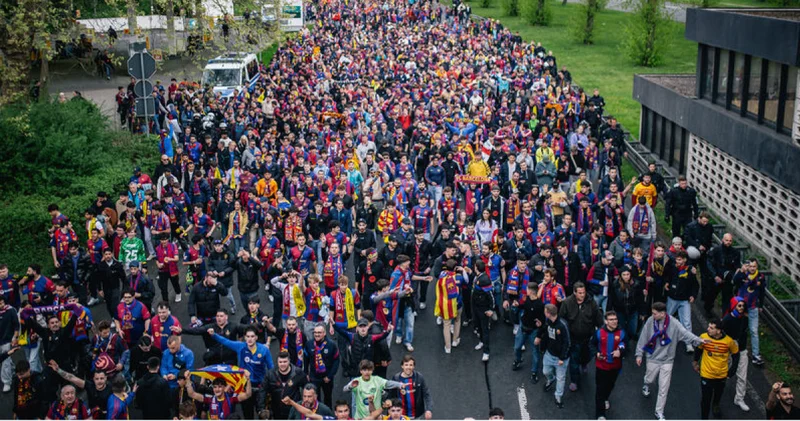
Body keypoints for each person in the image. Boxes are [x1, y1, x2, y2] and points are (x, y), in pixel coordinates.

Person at [636, 302, 707, 420]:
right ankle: (646, 384)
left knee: (664, 388)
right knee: (650, 378)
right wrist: (639, 354)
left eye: (654, 313)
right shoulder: (650, 321)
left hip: (668, 360)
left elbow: (685, 333)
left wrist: (699, 340)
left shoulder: (674, 323)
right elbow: (644, 337)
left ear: (662, 313)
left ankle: (659, 412)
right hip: (652, 358)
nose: (652, 315)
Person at [208, 325, 273, 419]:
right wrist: (214, 335)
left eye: (252, 336)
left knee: (262, 414)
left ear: (256, 338)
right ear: (245, 337)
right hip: (244, 386)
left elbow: (271, 368)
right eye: (247, 336)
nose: (250, 339)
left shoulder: (264, 350)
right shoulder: (240, 346)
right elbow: (226, 342)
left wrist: (269, 386)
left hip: (260, 387)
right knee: (247, 414)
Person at [559, 282, 602, 392]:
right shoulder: (567, 303)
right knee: (574, 360)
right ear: (574, 292)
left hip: (588, 337)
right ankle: (574, 380)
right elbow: (562, 319)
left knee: (587, 355)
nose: (582, 295)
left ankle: (584, 363)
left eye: (584, 292)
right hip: (573, 338)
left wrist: (602, 331)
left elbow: (598, 317)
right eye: (580, 293)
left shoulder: (591, 302)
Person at [693, 319, 738, 419]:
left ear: (719, 331)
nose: (708, 329)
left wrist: (732, 371)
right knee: (705, 399)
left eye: (711, 328)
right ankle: (704, 417)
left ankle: (716, 404)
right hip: (706, 374)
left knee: (718, 393)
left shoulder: (729, 341)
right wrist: (695, 362)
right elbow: (698, 350)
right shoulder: (703, 337)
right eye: (709, 326)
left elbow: (736, 354)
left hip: (721, 375)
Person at [590, 311, 627, 420]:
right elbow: (592, 345)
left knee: (610, 385)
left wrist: (620, 352)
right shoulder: (599, 333)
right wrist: (597, 353)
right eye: (611, 319)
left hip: (615, 366)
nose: (614, 321)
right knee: (600, 390)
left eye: (615, 319)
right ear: (606, 321)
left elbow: (626, 346)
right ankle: (600, 414)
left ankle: (606, 398)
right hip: (601, 366)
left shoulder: (622, 333)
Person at [343, 360, 408, 419]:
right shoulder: (356, 381)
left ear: (372, 370)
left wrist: (399, 385)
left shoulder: (377, 380)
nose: (367, 372)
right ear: (361, 371)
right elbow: (344, 389)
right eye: (365, 370)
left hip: (376, 416)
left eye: (369, 370)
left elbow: (388, 383)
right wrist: (350, 386)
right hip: (360, 417)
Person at [664, 251, 700, 353]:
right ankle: (663, 338)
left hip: (684, 300)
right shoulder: (672, 268)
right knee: (666, 319)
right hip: (672, 299)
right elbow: (667, 276)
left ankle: (688, 343)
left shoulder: (690, 271)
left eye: (679, 259)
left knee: (687, 322)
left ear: (684, 260)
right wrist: (667, 283)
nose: (677, 261)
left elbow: (695, 285)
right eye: (677, 259)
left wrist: (693, 295)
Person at [537, 303, 571, 409]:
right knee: (545, 371)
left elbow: (567, 342)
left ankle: (558, 396)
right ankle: (551, 379)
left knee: (561, 378)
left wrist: (562, 357)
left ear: (548, 313)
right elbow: (545, 333)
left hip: (560, 358)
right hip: (549, 354)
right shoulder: (548, 322)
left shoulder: (562, 325)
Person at [184, 370, 253, 420]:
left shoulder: (231, 398)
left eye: (220, 387)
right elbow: (191, 394)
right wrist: (187, 379)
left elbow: (248, 394)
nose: (217, 389)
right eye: (215, 387)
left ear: (224, 387)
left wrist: (248, 380)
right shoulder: (209, 399)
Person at [734, 258, 766, 367]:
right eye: (750, 266)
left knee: (754, 331)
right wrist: (742, 272)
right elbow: (734, 281)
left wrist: (760, 305)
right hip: (740, 307)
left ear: (757, 267)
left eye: (754, 266)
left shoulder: (761, 277)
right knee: (739, 329)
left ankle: (756, 355)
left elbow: (762, 291)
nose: (752, 268)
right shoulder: (742, 273)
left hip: (752, 307)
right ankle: (735, 349)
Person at [513, 282, 545, 383]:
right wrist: (518, 305)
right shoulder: (526, 299)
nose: (526, 290)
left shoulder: (540, 305)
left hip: (533, 331)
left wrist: (538, 336)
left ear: (531, 291)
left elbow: (542, 322)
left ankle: (534, 372)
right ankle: (518, 360)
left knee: (535, 352)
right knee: (517, 347)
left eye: (527, 289)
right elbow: (524, 307)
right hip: (523, 328)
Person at [390, 355, 433, 419]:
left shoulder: (419, 377)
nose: (408, 367)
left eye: (411, 365)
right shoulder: (396, 378)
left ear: (413, 366)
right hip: (401, 416)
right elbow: (391, 396)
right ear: (402, 366)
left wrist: (428, 409)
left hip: (417, 415)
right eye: (406, 365)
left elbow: (426, 394)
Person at [472, 260, 495, 362]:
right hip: (476, 307)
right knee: (478, 326)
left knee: (485, 329)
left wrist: (491, 309)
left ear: (476, 267)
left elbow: (491, 296)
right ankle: (481, 341)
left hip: (483, 308)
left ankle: (486, 352)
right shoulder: (478, 276)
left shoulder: (485, 279)